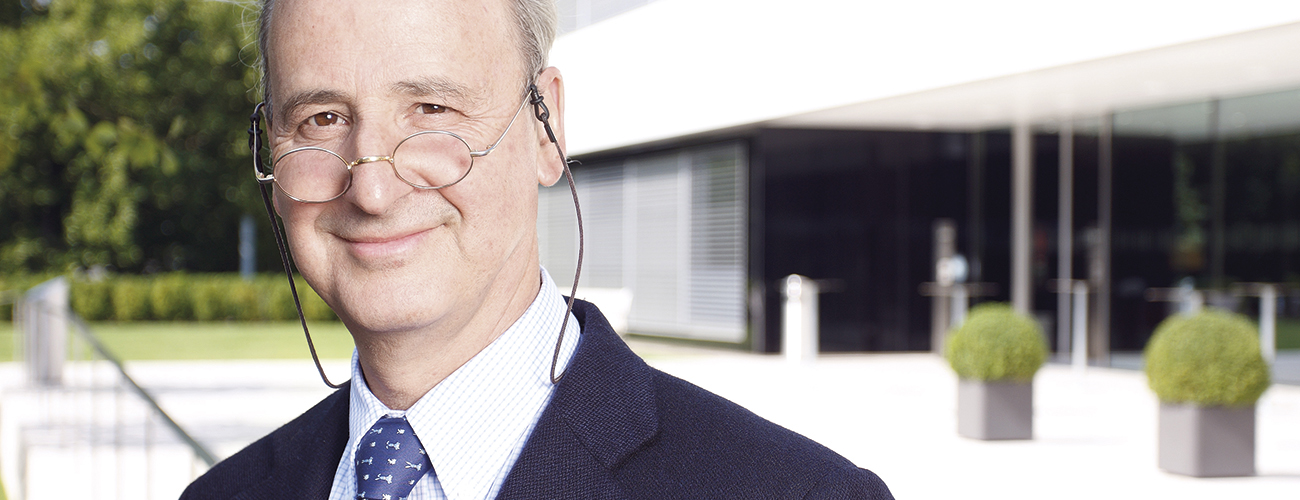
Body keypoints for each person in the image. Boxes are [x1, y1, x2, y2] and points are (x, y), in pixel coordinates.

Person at [183, 0, 893, 498]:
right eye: (323, 117)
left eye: (432, 110)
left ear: (547, 130)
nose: (370, 187)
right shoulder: (224, 495)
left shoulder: (795, 493)